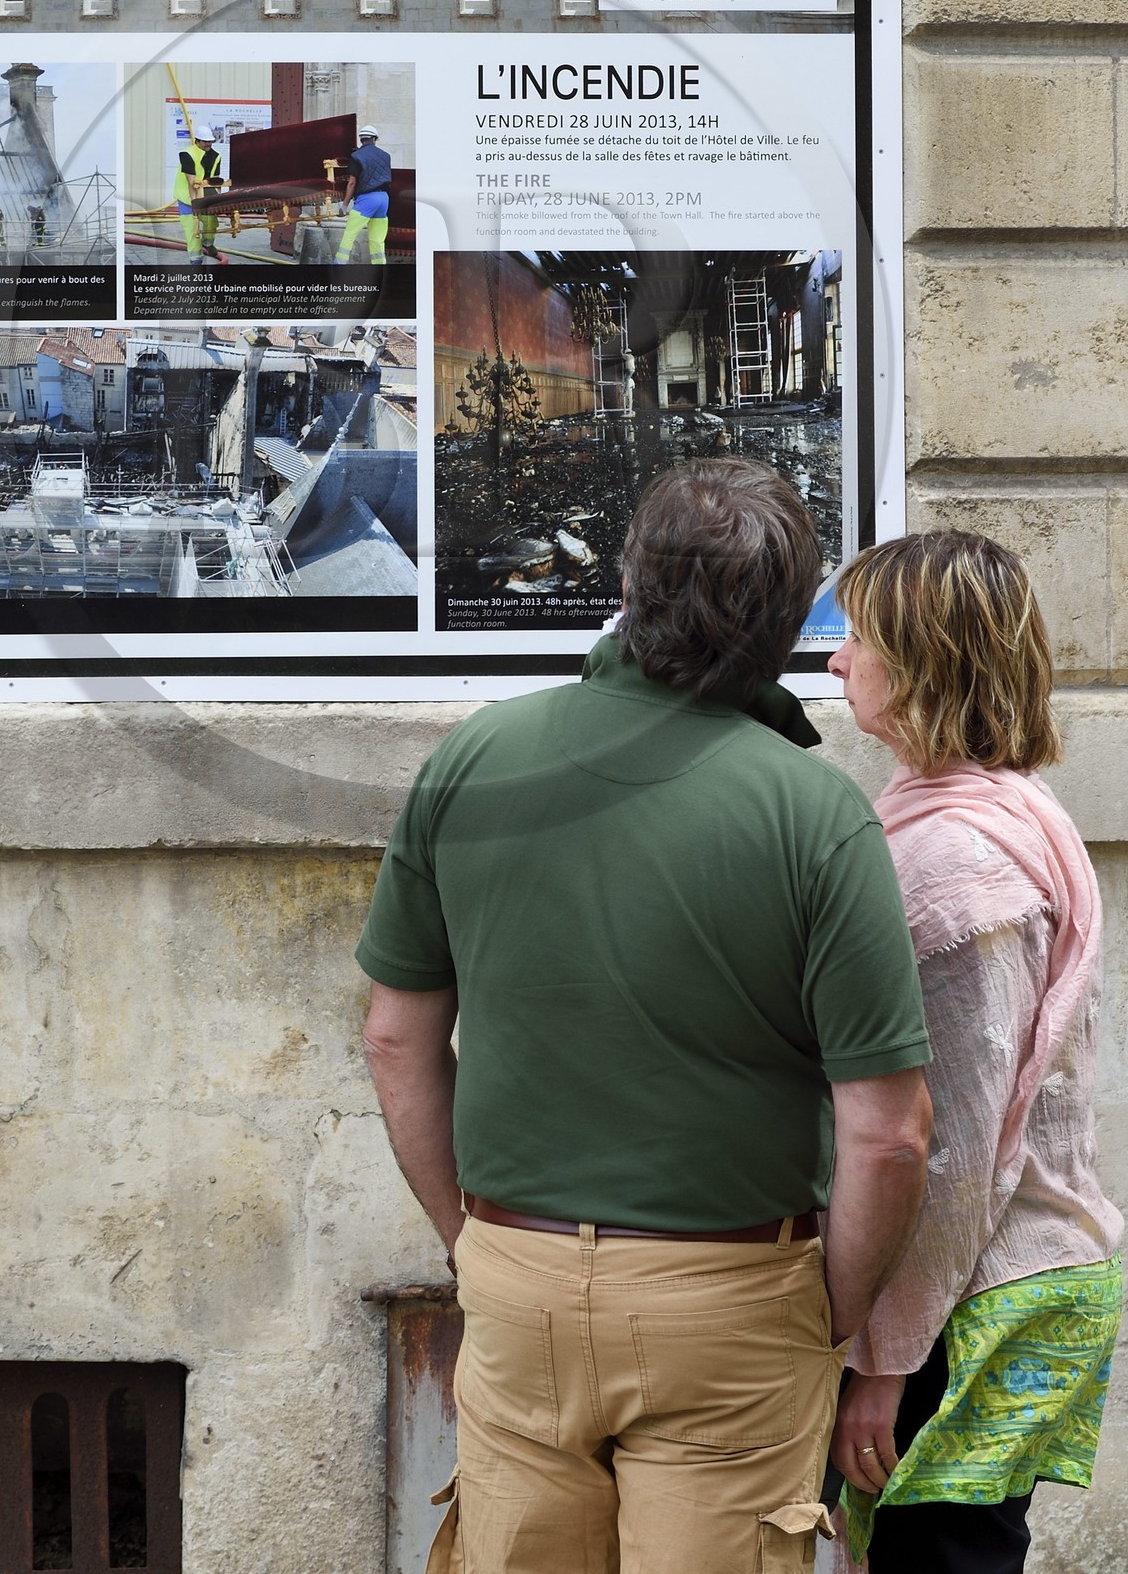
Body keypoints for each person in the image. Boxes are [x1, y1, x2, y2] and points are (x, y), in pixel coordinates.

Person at [357, 459, 934, 1574]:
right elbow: (888, 1131)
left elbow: (396, 1038)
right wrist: (832, 1314)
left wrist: (469, 1244)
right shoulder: (816, 813)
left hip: (515, 1276)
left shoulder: (473, 759)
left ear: (628, 582)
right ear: (782, 623)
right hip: (729, 1296)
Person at [827, 531, 1124, 1572]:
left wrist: (883, 1358)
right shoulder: (993, 810)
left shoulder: (961, 862)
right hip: (991, 1281)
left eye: (856, 639)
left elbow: (949, 1143)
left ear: (917, 667)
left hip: (976, 1294)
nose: (834, 661)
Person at [335, 121, 390, 264]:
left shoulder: (356, 156)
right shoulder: (386, 156)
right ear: (374, 139)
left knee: (349, 234)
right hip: (384, 199)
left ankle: (338, 267)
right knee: (377, 240)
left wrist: (344, 205)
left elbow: (352, 182)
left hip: (367, 200)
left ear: (361, 139)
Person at [173, 124, 226, 264]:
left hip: (205, 196)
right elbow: (191, 183)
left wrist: (217, 201)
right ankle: (196, 262)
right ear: (197, 140)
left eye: (210, 141)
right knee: (192, 229)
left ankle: (208, 243)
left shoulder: (216, 156)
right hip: (187, 198)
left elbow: (216, 180)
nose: (208, 144)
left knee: (211, 222)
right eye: (205, 141)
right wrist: (195, 204)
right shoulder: (187, 154)